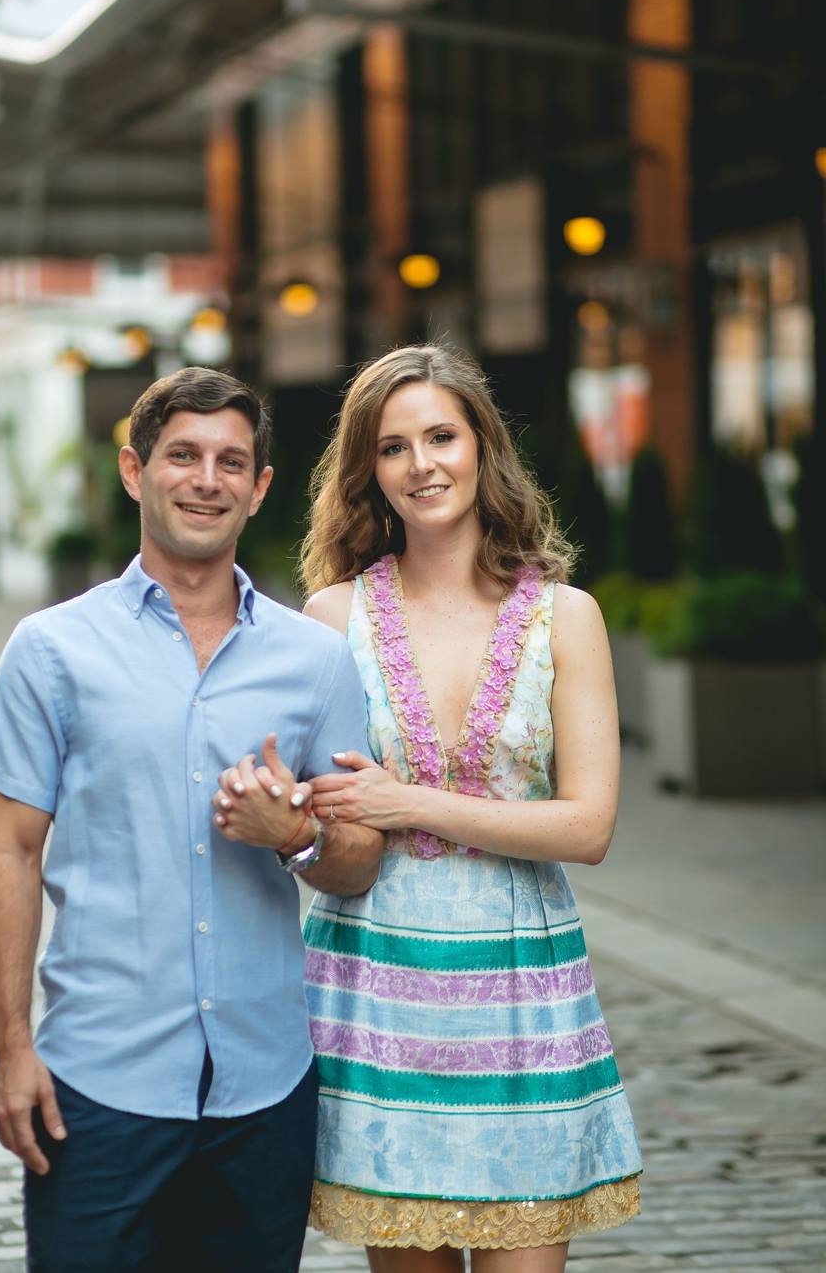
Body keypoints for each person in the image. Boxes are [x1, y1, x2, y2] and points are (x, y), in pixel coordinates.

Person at [0, 367, 386, 1271]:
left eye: (232, 462)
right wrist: (10, 1050)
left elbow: (359, 861)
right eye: (182, 456)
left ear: (261, 487)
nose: (207, 479)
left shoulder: (316, 662)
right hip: (99, 1083)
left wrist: (297, 836)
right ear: (134, 471)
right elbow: (10, 851)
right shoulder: (50, 650)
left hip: (265, 1088)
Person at [296, 344, 642, 1268]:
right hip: (381, 988)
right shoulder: (330, 620)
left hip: (521, 992)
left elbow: (589, 826)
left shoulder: (566, 617)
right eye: (394, 446)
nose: (423, 465)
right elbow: (334, 819)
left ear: (484, 446)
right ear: (369, 470)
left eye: (442, 435)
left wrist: (410, 801)